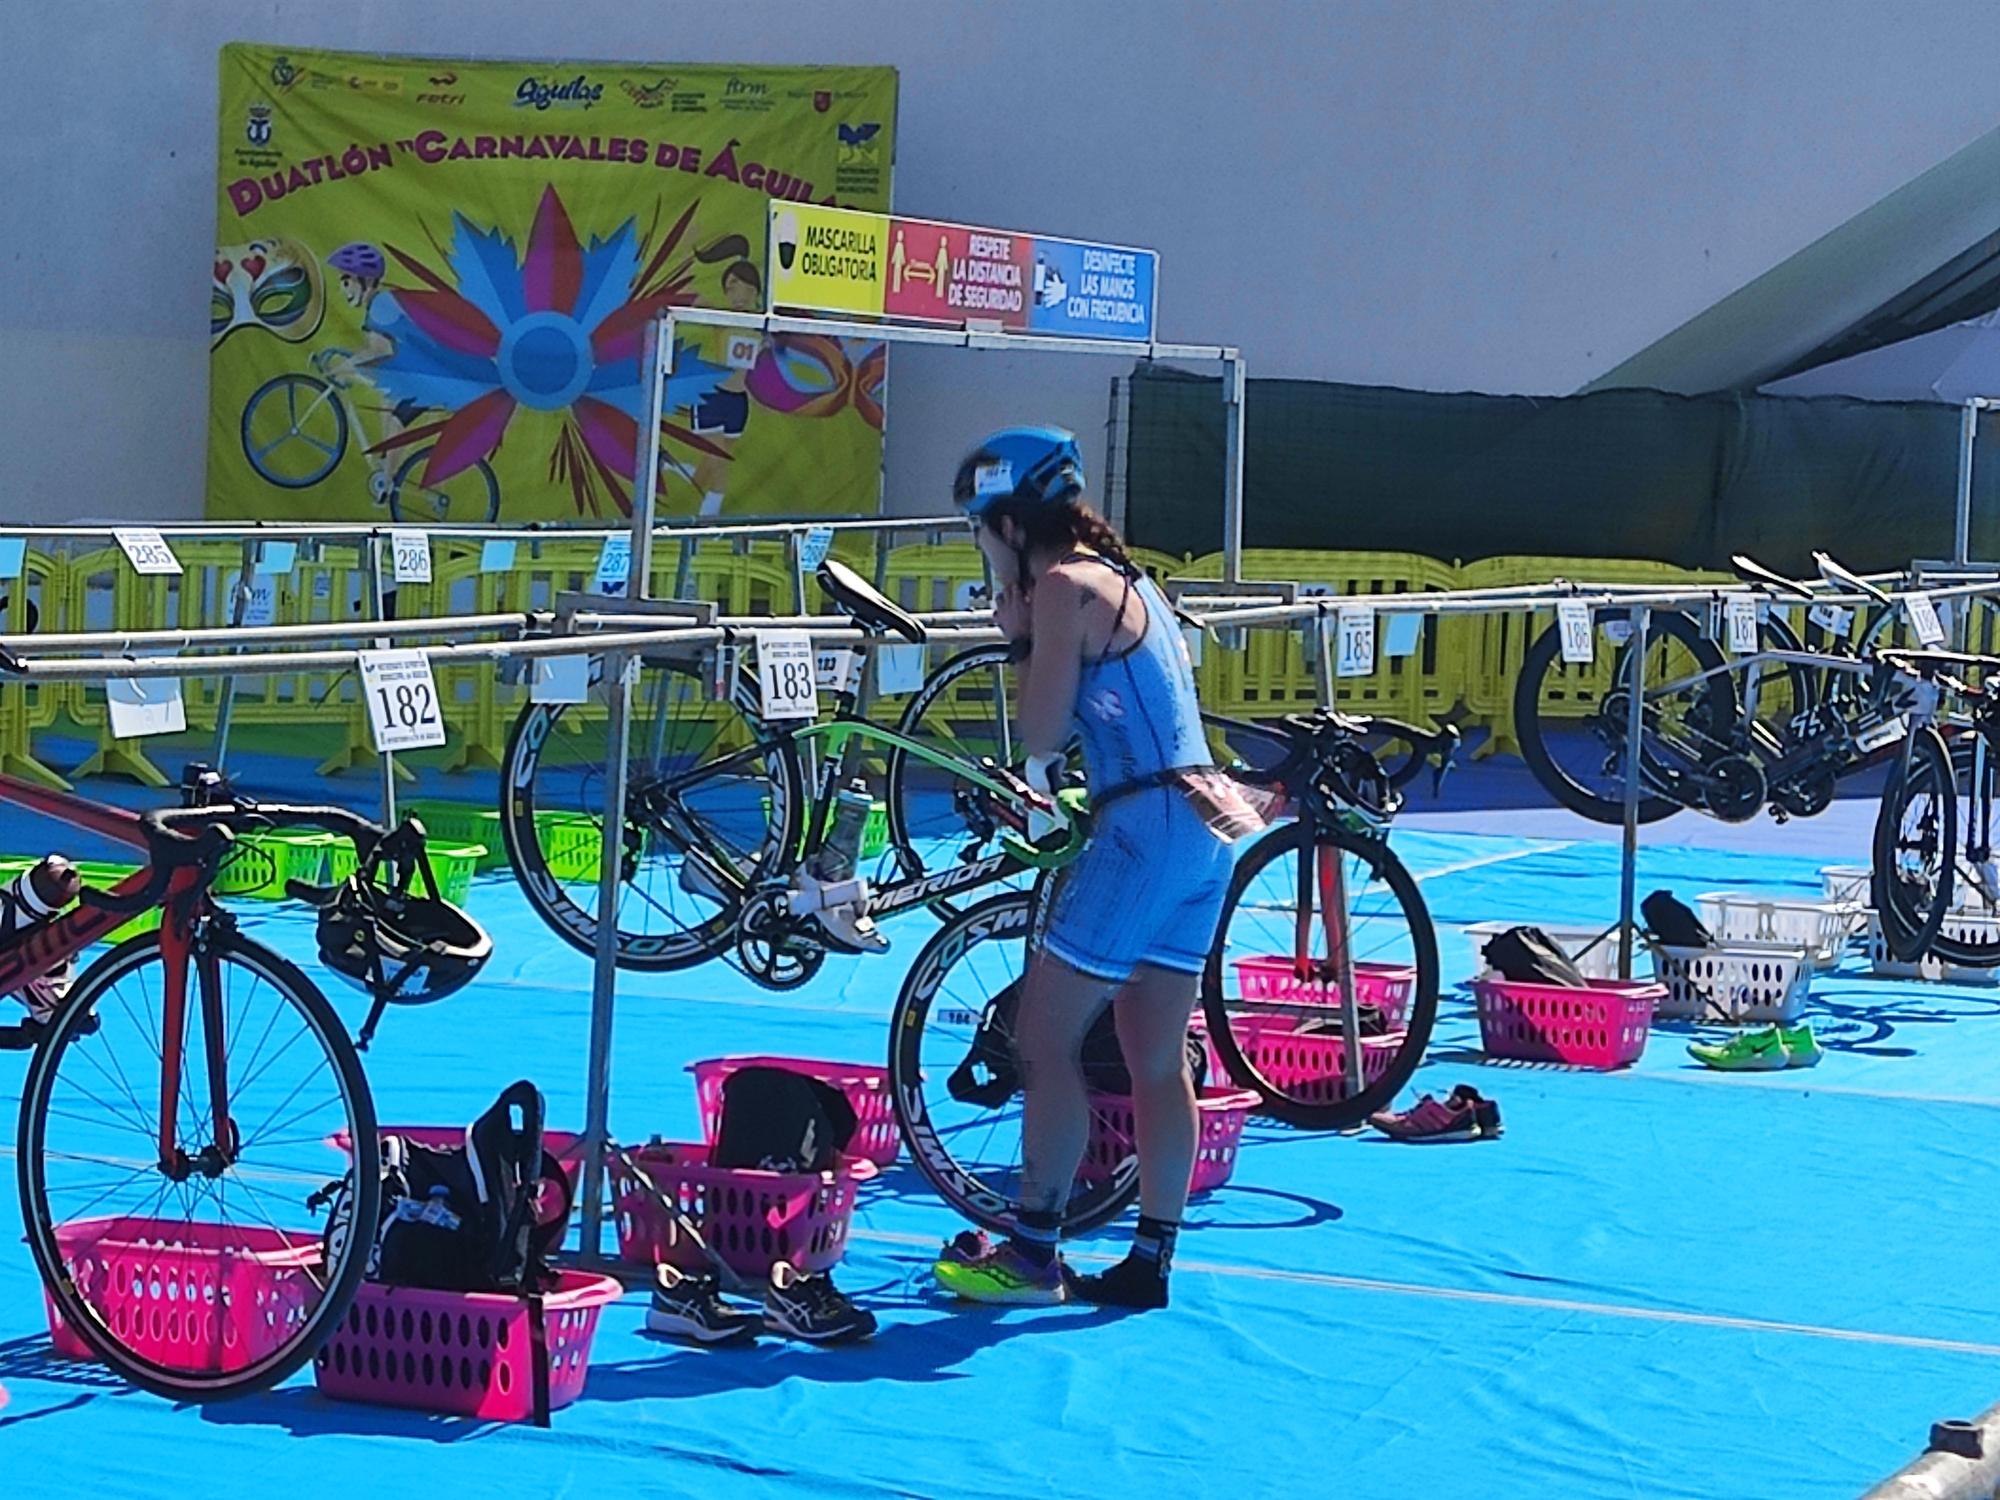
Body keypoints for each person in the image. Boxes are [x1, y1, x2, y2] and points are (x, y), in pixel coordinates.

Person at [931, 426, 1258, 1312]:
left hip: (1146, 828)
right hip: (1204, 825)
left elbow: (1039, 738)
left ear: (1009, 520)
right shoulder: (1126, 578)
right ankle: (1151, 1256)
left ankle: (1034, 1251)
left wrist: (1017, 628)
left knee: (1042, 1039)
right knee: (1156, 1056)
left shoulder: (1066, 589)